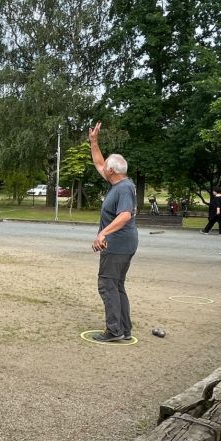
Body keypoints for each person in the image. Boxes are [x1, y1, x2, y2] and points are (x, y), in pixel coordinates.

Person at [88, 122, 138, 343]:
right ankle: (124, 329)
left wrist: (103, 234)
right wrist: (94, 142)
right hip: (123, 244)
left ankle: (114, 330)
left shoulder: (124, 188)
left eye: (106, 166)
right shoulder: (118, 183)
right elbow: (99, 162)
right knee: (117, 285)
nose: (103, 167)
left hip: (117, 245)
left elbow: (125, 215)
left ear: (112, 171)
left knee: (108, 285)